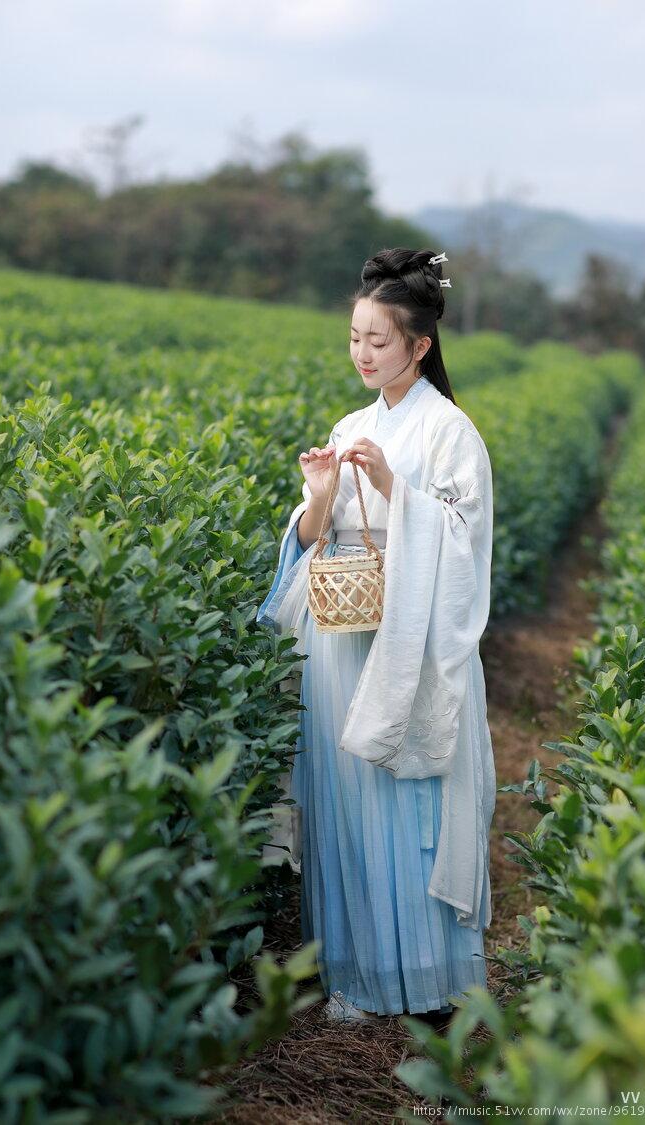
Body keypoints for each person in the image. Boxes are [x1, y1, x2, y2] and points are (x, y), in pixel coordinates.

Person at [256, 247, 496, 1022]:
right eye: (355, 337)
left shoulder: (452, 432)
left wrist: (397, 487)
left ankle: (425, 978)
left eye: (379, 341)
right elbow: (312, 537)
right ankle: (353, 974)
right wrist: (321, 495)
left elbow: (466, 541)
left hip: (413, 642)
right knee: (347, 799)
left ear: (419, 345)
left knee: (408, 799)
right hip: (344, 637)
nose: (363, 353)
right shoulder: (352, 421)